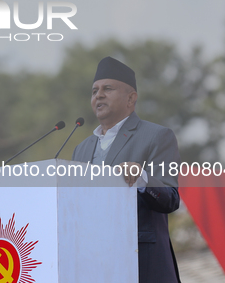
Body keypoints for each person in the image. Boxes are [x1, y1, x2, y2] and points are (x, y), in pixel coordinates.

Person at [72, 56, 181, 283]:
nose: (98, 95)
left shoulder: (156, 136)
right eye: (94, 91)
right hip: (94, 264)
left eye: (107, 89)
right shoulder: (81, 149)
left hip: (141, 263)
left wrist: (142, 177)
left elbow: (170, 199)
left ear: (131, 98)